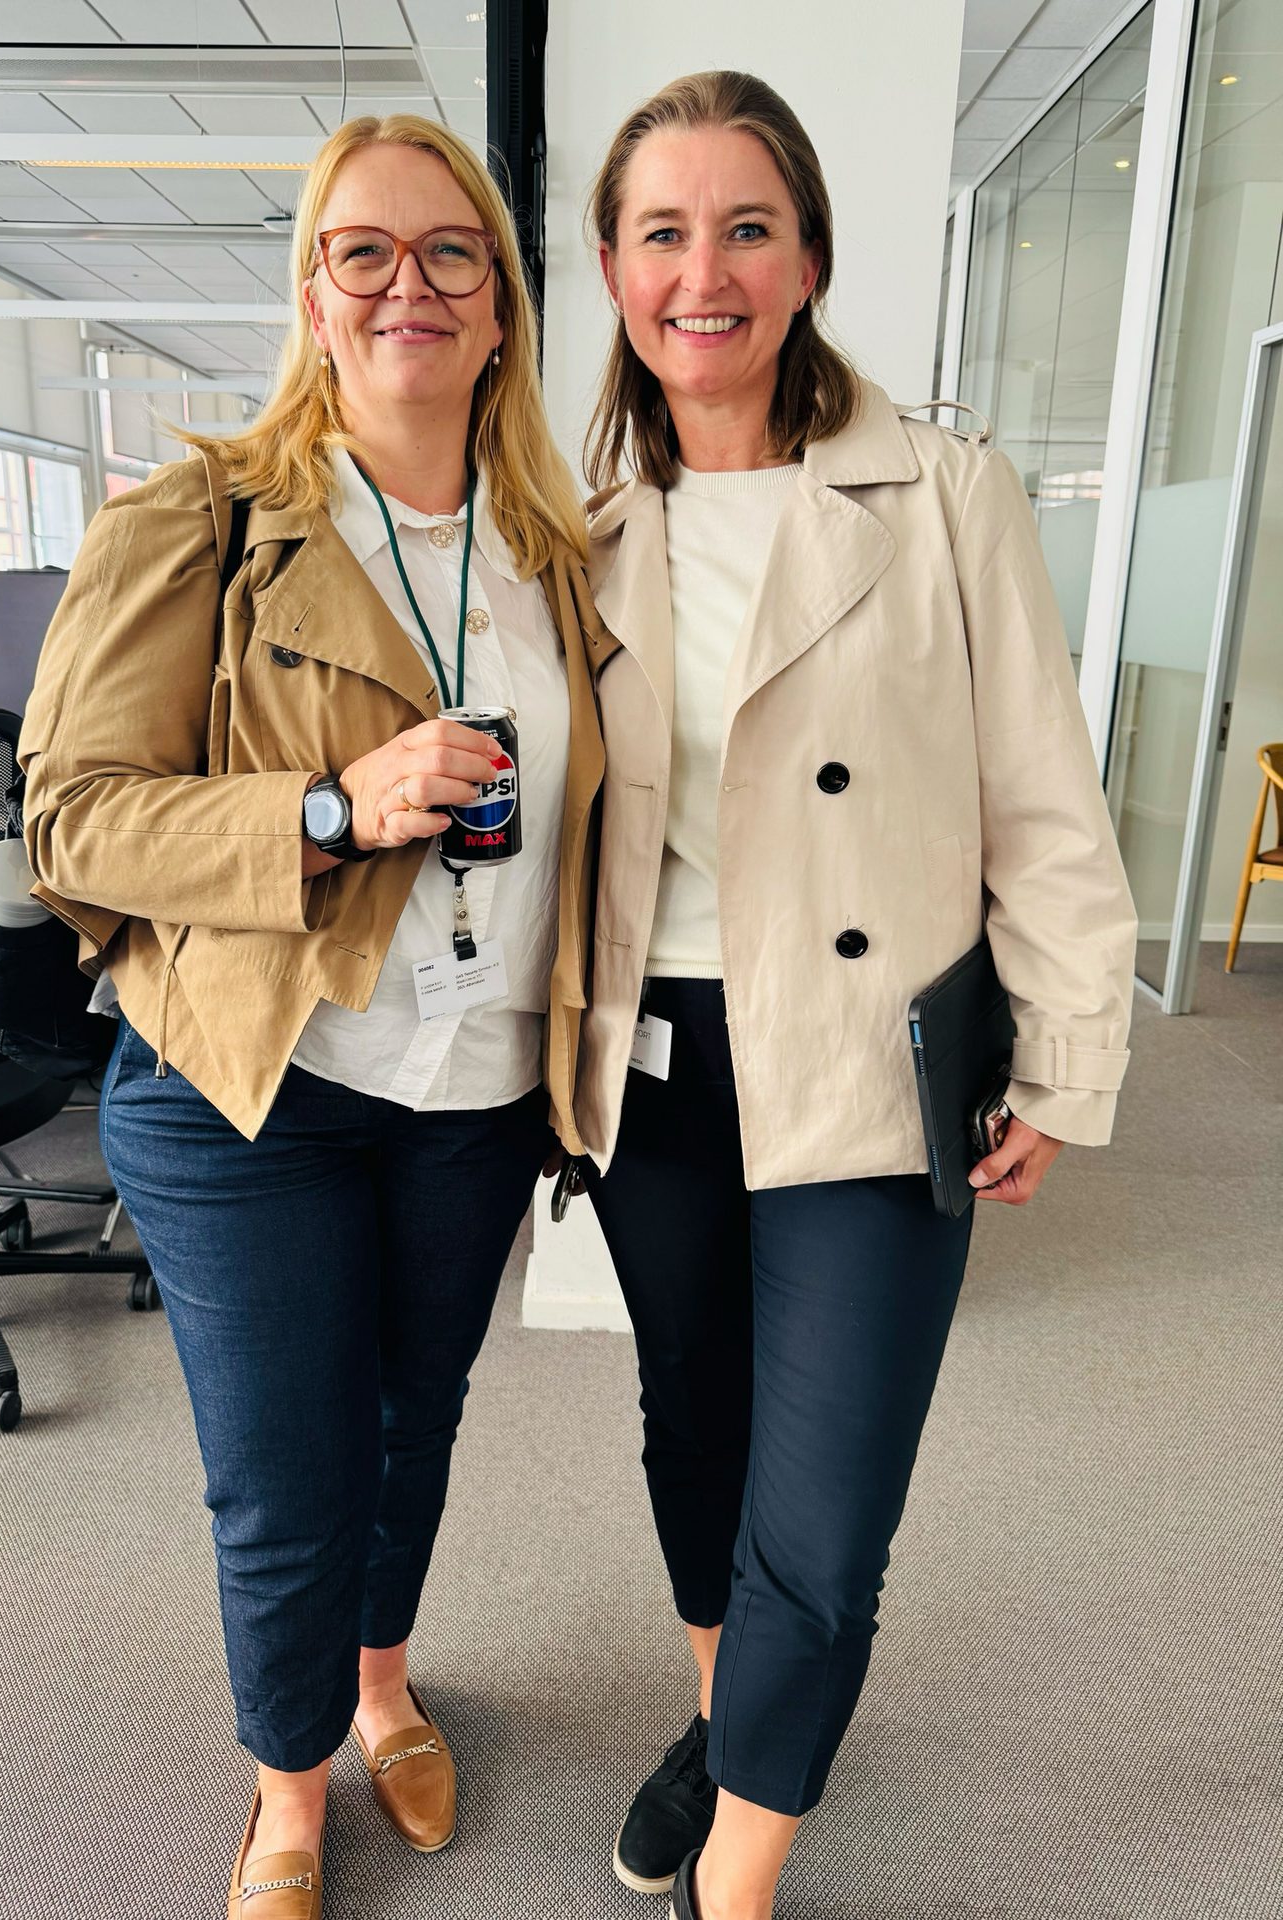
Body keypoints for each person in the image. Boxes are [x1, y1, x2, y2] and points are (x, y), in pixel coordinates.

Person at [18, 114, 601, 1920]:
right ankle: (287, 1789)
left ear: (499, 303)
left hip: (475, 1078)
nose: (407, 283)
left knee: (413, 1424)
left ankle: (382, 1687)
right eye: (365, 251)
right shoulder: (199, 518)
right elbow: (70, 819)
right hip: (250, 1085)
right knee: (285, 1473)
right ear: (312, 294)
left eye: (449, 251)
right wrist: (334, 808)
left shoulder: (560, 551)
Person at [571, 71, 1137, 1920]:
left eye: (748, 228)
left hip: (870, 1062)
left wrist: (1061, 1055)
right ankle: (723, 1715)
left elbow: (1043, 803)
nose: (705, 273)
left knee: (823, 1505)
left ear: (810, 258)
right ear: (612, 269)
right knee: (695, 1430)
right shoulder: (574, 523)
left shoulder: (945, 494)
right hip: (658, 1060)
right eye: (664, 232)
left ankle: (735, 1882)